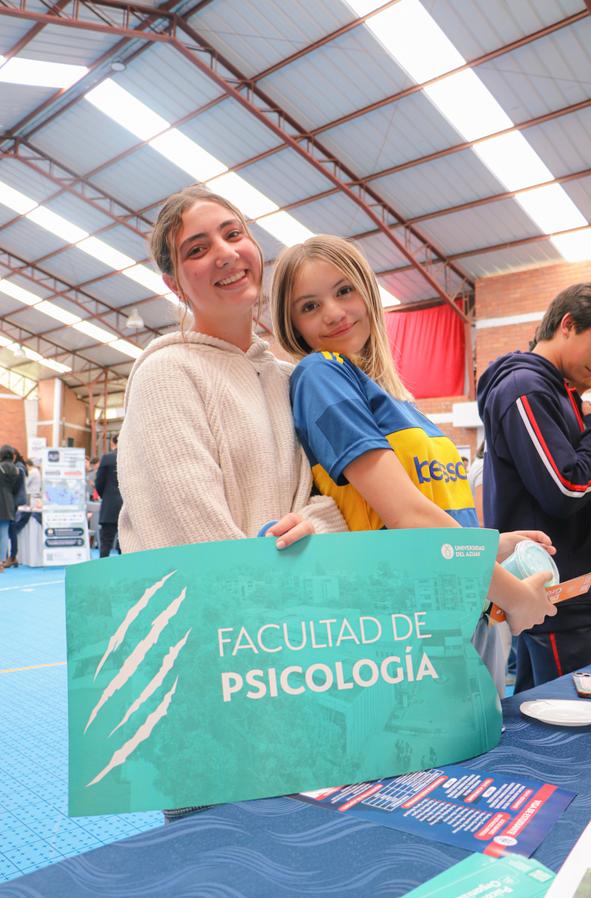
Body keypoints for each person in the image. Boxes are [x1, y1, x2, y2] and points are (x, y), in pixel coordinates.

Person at [117, 185, 346, 820]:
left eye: (234, 233)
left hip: (290, 662)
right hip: (210, 675)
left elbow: (330, 501)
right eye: (197, 248)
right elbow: (192, 542)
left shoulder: (288, 377)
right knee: (221, 848)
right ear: (174, 284)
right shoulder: (166, 374)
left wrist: (316, 524)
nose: (224, 252)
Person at [270, 234, 557, 641]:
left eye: (344, 291)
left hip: (454, 604)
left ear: (366, 292)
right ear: (293, 324)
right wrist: (514, 595)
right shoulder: (321, 374)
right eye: (310, 306)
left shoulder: (393, 398)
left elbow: (426, 507)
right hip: (403, 621)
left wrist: (487, 547)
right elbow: (405, 515)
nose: (333, 313)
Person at [477, 283, 591, 691]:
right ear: (568, 324)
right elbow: (565, 488)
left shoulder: (562, 393)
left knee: (546, 716)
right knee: (574, 720)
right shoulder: (524, 388)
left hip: (569, 599)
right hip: (560, 601)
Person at [95, 435, 123, 558]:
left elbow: (99, 483)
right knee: (127, 544)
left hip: (110, 505)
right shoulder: (132, 459)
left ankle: (103, 568)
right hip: (128, 505)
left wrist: (106, 496)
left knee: (106, 543)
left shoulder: (108, 458)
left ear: (113, 443)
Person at [5, 448, 27, 568]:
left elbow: (15, 488)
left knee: (9, 529)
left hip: (11, 502)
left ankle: (12, 556)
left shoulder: (18, 468)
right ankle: (11, 556)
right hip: (11, 502)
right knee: (10, 529)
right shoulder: (18, 467)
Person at [0, 445, 19, 572]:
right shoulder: (17, 470)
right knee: (4, 534)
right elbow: (17, 490)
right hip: (9, 503)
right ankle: (1, 563)